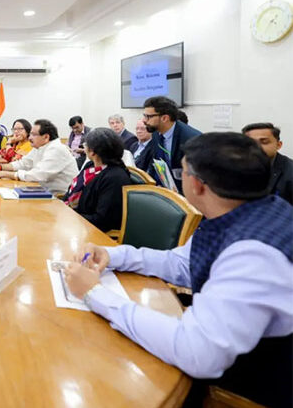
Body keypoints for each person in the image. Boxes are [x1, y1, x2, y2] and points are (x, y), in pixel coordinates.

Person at [63, 133, 293, 408]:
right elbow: (184, 263)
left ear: (195, 184)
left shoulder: (254, 254)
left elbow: (199, 353)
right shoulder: (248, 209)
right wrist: (113, 255)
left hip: (254, 381)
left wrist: (94, 294)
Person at [62, 128, 133, 232]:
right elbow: (70, 194)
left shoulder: (115, 177)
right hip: (75, 221)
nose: (84, 147)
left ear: (93, 152)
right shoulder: (90, 166)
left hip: (91, 231)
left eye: (85, 145)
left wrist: (68, 217)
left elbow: (102, 220)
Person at [0, 119, 78, 193]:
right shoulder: (39, 147)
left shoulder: (56, 149)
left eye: (33, 135)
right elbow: (23, 163)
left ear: (46, 137)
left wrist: (3, 173)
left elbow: (37, 175)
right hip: (43, 191)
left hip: (60, 197)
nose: (29, 138)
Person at [135, 96, 201, 192]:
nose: (144, 120)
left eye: (148, 116)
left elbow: (197, 178)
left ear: (165, 118)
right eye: (144, 116)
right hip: (165, 191)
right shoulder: (156, 133)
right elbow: (156, 162)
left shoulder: (191, 139)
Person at [243, 122, 293, 204]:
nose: (257, 147)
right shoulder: (236, 167)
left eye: (264, 142)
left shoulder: (290, 172)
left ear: (278, 145)